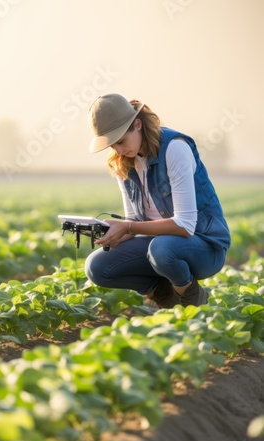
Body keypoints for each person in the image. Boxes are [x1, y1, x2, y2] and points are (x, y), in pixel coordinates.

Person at [85, 93, 230, 308]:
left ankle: (191, 298)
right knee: (96, 267)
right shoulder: (123, 163)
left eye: (121, 141)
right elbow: (133, 221)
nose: (118, 150)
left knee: (161, 250)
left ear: (137, 124)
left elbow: (185, 225)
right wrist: (115, 232)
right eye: (111, 145)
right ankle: (165, 297)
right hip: (160, 245)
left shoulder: (175, 148)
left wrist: (128, 226)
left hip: (204, 246)